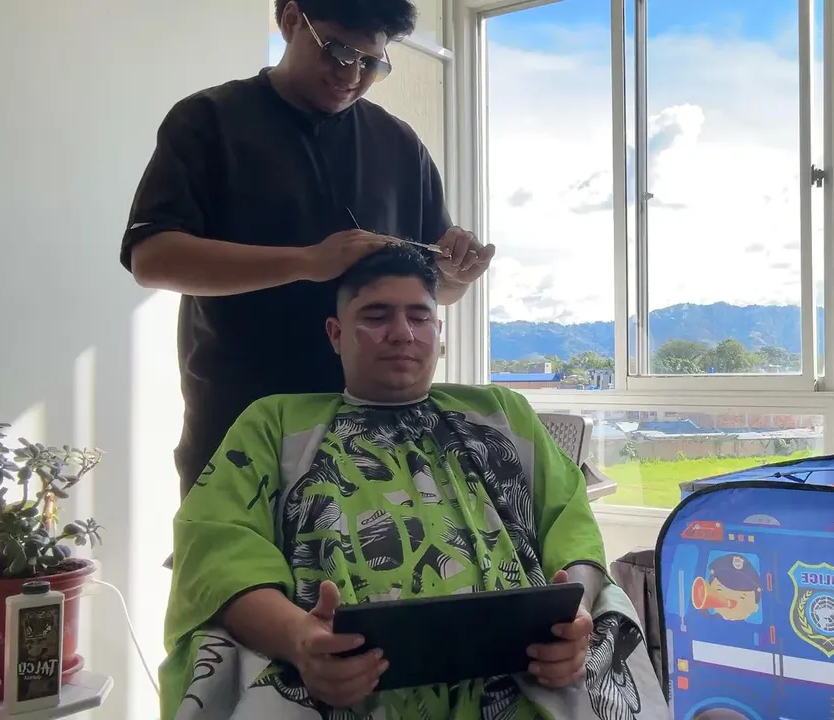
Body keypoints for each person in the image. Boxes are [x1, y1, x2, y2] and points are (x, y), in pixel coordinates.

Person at [159, 245, 667, 720]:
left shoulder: (501, 414)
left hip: (524, 684)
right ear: (336, 334)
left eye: (419, 317)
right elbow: (217, 550)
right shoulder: (274, 425)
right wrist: (299, 640)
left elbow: (570, 520)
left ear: (438, 333)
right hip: (334, 691)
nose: (402, 333)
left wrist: (575, 619)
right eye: (376, 316)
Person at [120, 0, 494, 497]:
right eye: (338, 52)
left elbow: (435, 288)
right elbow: (152, 258)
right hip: (241, 427)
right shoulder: (209, 121)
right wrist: (305, 262)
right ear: (292, 20)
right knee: (236, 548)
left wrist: (456, 276)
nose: (352, 76)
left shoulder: (399, 145)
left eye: (371, 63)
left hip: (377, 440)